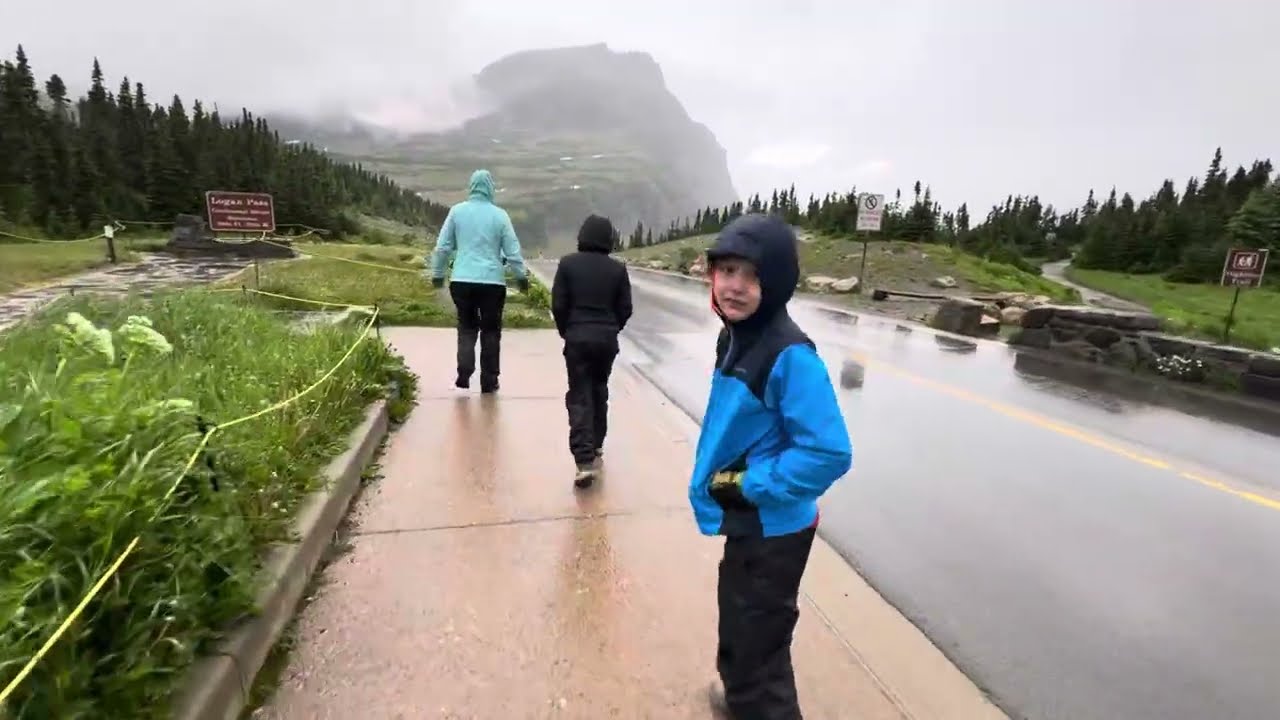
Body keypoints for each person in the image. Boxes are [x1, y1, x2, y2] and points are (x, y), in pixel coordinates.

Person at [688, 213, 853, 719]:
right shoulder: (736, 335)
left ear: (776, 280)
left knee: (761, 652)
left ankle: (752, 700)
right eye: (727, 270)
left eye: (751, 275)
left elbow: (830, 452)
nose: (734, 287)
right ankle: (740, 696)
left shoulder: (790, 355)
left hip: (772, 527)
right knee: (739, 627)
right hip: (749, 520)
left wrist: (750, 483)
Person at [551, 214, 633, 488]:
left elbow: (559, 305)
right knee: (599, 390)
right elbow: (625, 309)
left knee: (579, 395)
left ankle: (584, 460)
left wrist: (567, 330)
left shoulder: (567, 265)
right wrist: (612, 328)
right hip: (606, 341)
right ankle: (597, 444)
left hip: (577, 338)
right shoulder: (618, 270)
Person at [429, 169, 529, 393]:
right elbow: (512, 251)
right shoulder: (500, 216)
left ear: (471, 186)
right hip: (493, 282)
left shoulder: (456, 212)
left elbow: (443, 246)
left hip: (462, 280)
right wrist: (521, 277)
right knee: (491, 330)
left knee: (466, 326)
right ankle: (489, 380)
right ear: (490, 188)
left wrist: (437, 273)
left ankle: (464, 374)